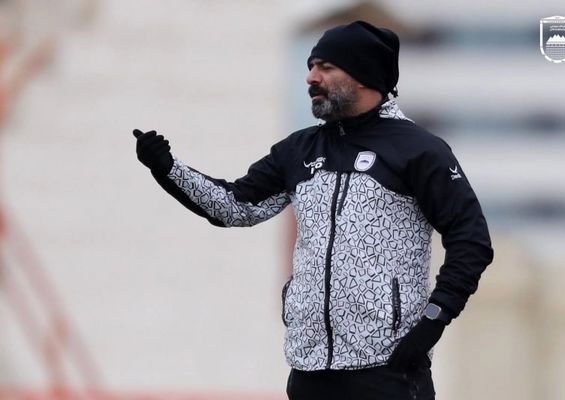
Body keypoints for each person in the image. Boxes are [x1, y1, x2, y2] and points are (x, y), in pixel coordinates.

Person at [132, 20, 493, 400]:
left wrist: (433, 321)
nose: (311, 77)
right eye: (310, 66)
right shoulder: (298, 150)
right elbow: (235, 208)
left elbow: (471, 240)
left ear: (363, 75)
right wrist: (168, 168)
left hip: (389, 370)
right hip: (309, 369)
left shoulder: (419, 150)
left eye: (325, 67)